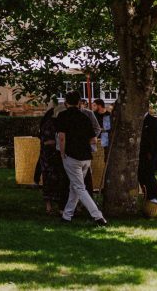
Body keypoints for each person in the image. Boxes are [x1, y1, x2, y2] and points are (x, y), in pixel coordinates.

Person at [56, 91, 107, 225]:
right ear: (79, 102)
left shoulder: (62, 116)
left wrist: (62, 153)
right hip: (86, 156)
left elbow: (62, 137)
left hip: (71, 156)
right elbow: (93, 139)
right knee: (75, 186)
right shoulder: (85, 117)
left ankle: (98, 216)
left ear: (66, 103)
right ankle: (67, 215)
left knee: (79, 187)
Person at [38, 106, 66, 215]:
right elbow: (46, 141)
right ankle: (50, 207)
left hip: (52, 157)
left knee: (55, 181)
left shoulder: (53, 123)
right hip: (50, 157)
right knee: (51, 181)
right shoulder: (49, 124)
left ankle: (55, 207)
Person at [138, 106, 157, 204]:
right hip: (139, 154)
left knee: (149, 175)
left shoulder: (153, 121)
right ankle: (146, 196)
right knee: (141, 175)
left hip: (149, 154)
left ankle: (154, 197)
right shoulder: (136, 120)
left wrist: (152, 153)